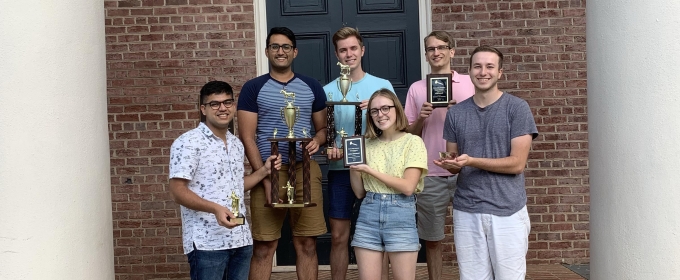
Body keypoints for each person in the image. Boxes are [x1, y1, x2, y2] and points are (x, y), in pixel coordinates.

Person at [435, 46, 538, 280]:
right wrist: (450, 165)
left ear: (500, 72)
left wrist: (471, 160)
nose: (483, 72)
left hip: (507, 210)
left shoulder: (517, 108)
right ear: (469, 71)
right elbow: (454, 159)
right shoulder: (456, 114)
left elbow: (517, 164)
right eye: (477, 66)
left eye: (490, 66)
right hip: (467, 209)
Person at [237, 27, 328, 280]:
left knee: (307, 244)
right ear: (267, 51)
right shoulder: (253, 88)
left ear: (294, 52)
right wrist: (265, 179)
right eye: (275, 46)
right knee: (265, 246)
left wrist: (317, 141)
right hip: (268, 169)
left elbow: (322, 129)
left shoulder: (311, 86)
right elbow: (247, 137)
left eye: (286, 46)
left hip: (304, 170)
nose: (280, 51)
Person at [168, 81, 282, 280]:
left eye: (228, 102)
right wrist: (215, 209)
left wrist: (264, 171)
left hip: (240, 239)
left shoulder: (236, 144)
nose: (223, 108)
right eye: (215, 103)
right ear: (203, 109)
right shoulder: (188, 142)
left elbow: (236, 186)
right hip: (207, 243)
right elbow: (177, 191)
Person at [323, 26, 394, 280]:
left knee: (379, 236)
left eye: (353, 48)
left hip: (376, 171)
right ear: (336, 55)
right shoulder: (328, 91)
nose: (348, 54)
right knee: (339, 236)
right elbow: (325, 131)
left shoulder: (381, 86)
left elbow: (395, 129)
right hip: (341, 171)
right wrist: (330, 149)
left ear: (362, 50)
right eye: (343, 50)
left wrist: (373, 111)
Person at [403, 31, 475, 280]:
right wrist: (421, 117)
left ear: (452, 51)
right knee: (432, 239)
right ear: (426, 55)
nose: (436, 52)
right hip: (431, 171)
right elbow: (407, 134)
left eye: (441, 47)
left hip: (468, 170)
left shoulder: (470, 82)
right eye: (430, 49)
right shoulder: (417, 89)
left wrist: (462, 113)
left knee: (473, 235)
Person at [348, 89, 428, 280]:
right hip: (368, 213)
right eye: (374, 111)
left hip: (400, 214)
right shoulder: (366, 144)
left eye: (385, 108)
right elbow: (359, 192)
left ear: (396, 109)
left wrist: (369, 170)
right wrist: (352, 166)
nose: (380, 114)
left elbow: (408, 187)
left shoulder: (413, 142)